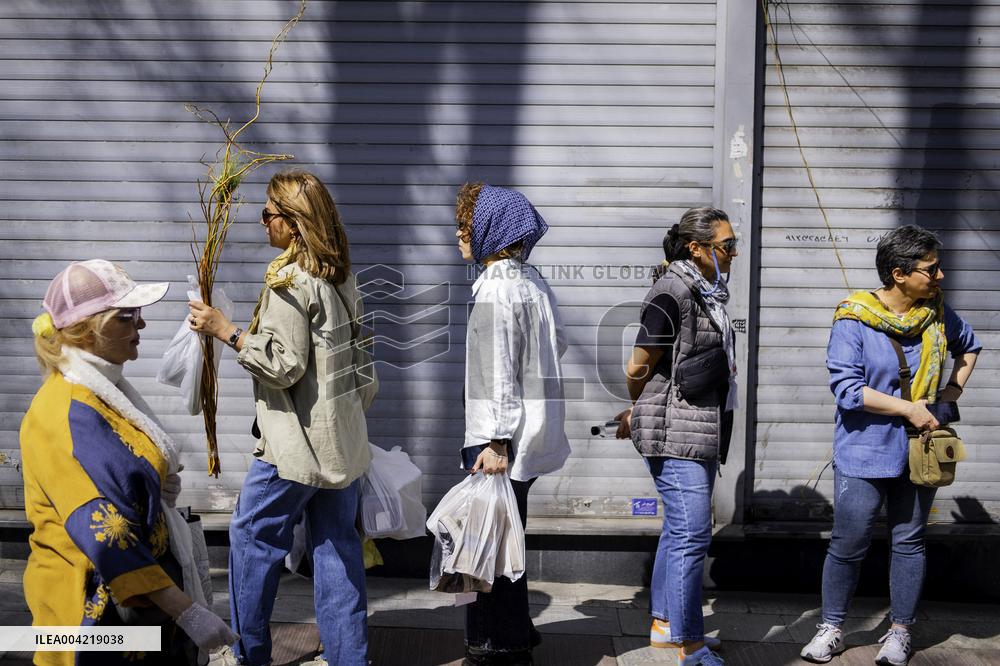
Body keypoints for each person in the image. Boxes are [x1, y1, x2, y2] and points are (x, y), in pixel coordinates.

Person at [188, 170, 378, 666]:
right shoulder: (340, 275)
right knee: (336, 549)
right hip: (341, 444)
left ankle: (249, 655)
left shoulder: (291, 282)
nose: (262, 222)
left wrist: (225, 331)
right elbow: (365, 368)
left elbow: (283, 365)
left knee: (250, 537)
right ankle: (349, 658)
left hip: (293, 447)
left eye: (269, 213)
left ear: (293, 222)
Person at [21, 259, 236, 666]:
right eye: (127, 317)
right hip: (94, 615)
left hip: (137, 604)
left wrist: (156, 482)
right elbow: (106, 533)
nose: (141, 325)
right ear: (88, 329)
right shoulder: (62, 416)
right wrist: (186, 610)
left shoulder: (103, 387)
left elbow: (125, 459)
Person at [800, 225, 981, 666]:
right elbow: (847, 389)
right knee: (848, 542)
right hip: (864, 450)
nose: (940, 276)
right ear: (899, 274)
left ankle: (900, 631)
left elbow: (970, 347)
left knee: (910, 541)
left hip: (920, 450)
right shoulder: (853, 318)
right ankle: (832, 628)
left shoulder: (938, 314)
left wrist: (947, 399)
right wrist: (909, 409)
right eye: (931, 269)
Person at [454, 182, 570, 665]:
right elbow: (554, 348)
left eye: (464, 227)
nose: (458, 237)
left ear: (488, 231)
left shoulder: (498, 290)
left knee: (491, 549)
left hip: (498, 438)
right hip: (528, 432)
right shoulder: (532, 282)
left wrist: (495, 440)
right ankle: (515, 628)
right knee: (507, 535)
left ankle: (498, 647)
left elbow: (496, 371)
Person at [618, 207, 738, 666]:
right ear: (697, 248)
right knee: (692, 535)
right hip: (674, 429)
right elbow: (637, 365)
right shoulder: (673, 290)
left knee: (679, 531)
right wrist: (640, 401)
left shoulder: (704, 292)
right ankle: (689, 644)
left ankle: (666, 626)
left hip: (696, 425)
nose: (732, 252)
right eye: (726, 245)